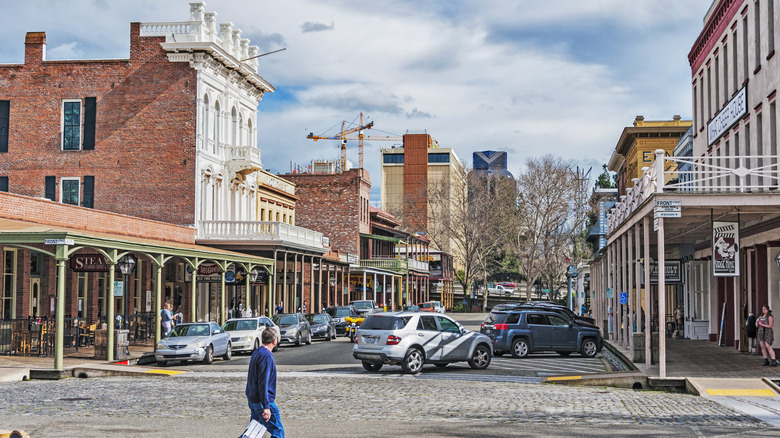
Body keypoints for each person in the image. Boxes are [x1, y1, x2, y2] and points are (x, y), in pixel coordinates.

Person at [246, 327, 284, 438]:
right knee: (278, 432)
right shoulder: (266, 356)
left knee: (253, 432)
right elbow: (264, 382)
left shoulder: (257, 352)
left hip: (254, 399)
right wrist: (266, 406)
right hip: (263, 401)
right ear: (274, 340)